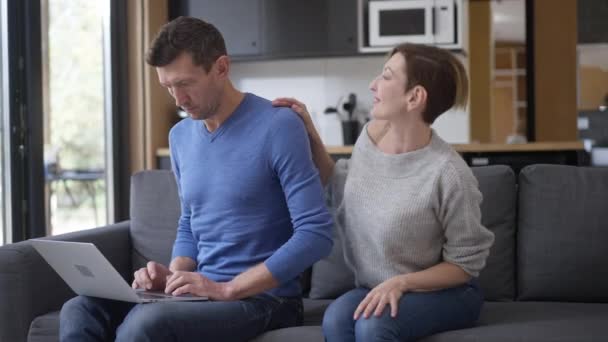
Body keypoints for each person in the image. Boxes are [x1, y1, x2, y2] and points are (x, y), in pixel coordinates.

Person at [59, 16, 334, 342]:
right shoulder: (180, 137)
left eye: (185, 84)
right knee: (79, 308)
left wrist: (227, 288)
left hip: (265, 299)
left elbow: (316, 234)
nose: (178, 99)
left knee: (146, 324)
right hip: (201, 292)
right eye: (167, 87)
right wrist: (173, 276)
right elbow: (190, 222)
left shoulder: (279, 126)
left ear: (221, 67)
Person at [273, 43, 495, 341]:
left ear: (414, 97)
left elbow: (464, 266)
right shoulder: (372, 133)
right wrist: (310, 132)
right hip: (380, 286)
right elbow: (342, 186)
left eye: (387, 76)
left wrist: (403, 282)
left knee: (374, 326)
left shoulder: (449, 174)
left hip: (448, 293)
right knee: (336, 320)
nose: (373, 84)